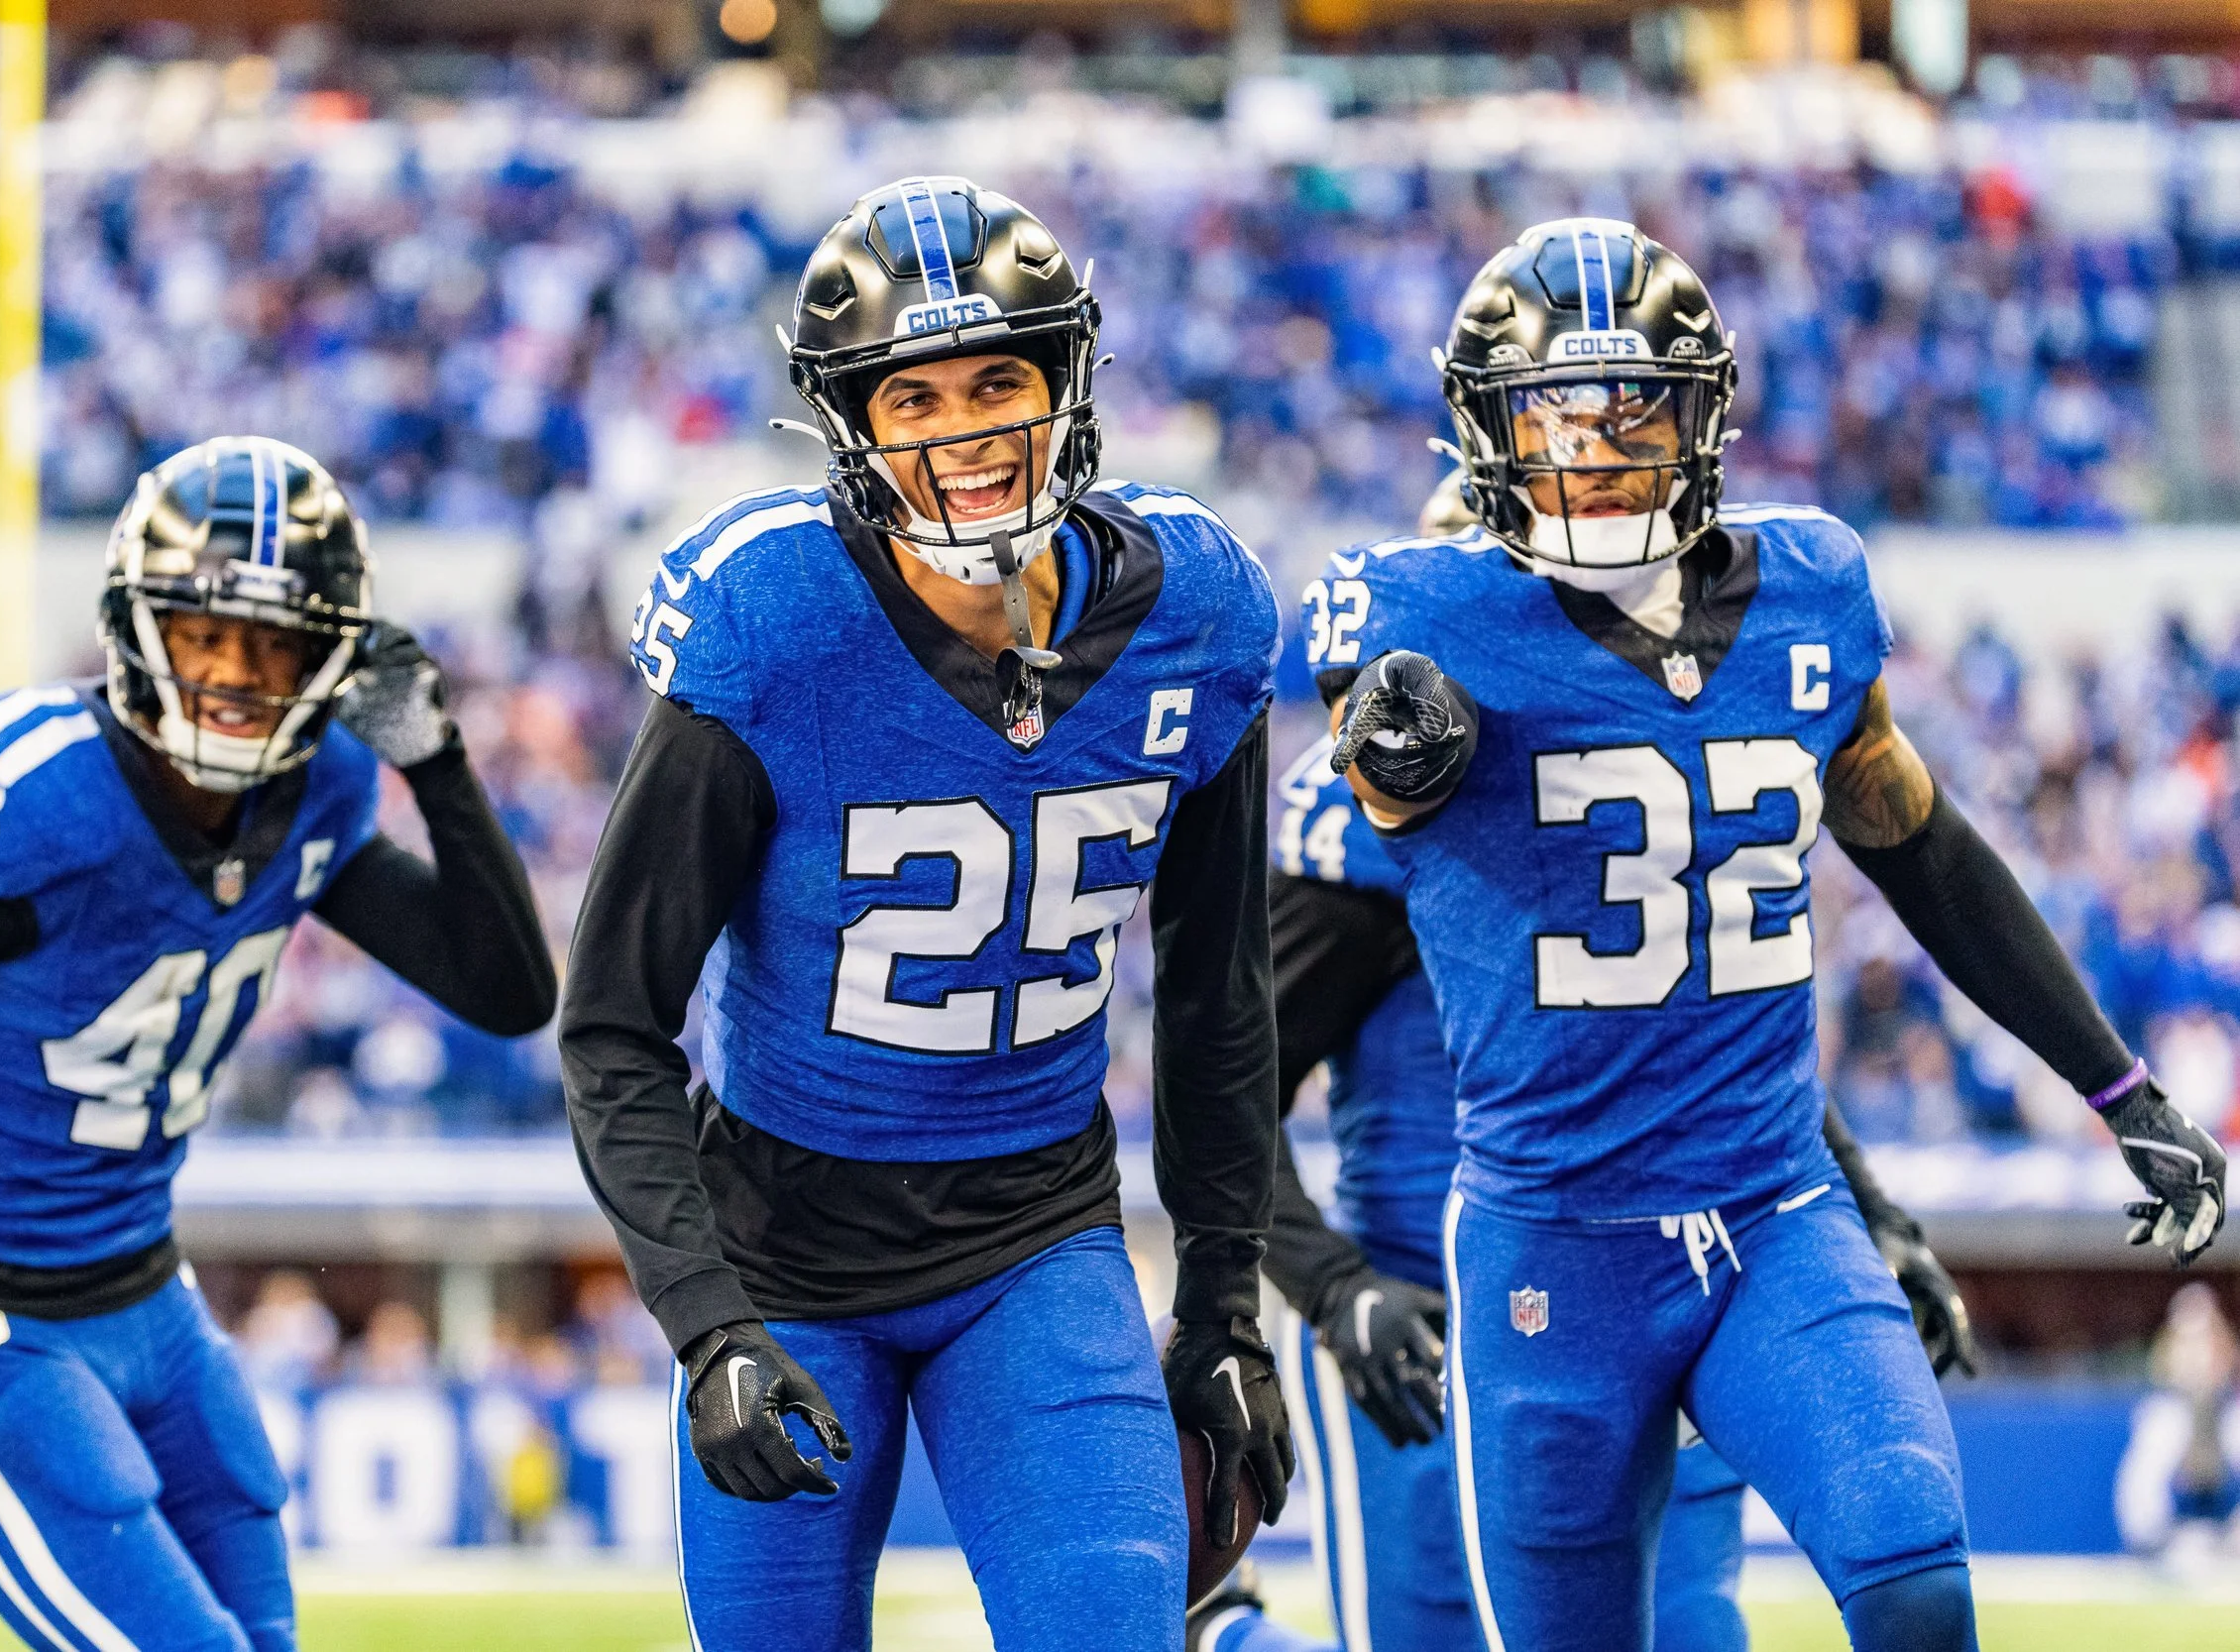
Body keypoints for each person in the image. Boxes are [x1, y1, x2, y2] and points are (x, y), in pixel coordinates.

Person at [1317, 219, 2228, 1652]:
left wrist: (2120, 1084)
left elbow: (1925, 852)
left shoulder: (1806, 588)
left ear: (1705, 415)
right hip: (1554, 1243)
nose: (1600, 453)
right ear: (1486, 434)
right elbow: (1372, 759)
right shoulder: (1424, 612)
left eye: (1638, 414)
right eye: (1557, 421)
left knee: (1916, 1574)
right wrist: (1396, 743)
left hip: (1772, 1210)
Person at [561, 175, 1291, 1652]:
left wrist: (1222, 1303)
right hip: (782, 1258)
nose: (961, 432)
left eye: (997, 380)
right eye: (915, 399)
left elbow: (1219, 999)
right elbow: (613, 1024)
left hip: (1036, 1240)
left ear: (1066, 384)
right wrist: (709, 1324)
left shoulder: (1198, 618)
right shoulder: (775, 619)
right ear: (854, 426)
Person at [0, 437, 557, 1652]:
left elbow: (505, 992)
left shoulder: (321, 790)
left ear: (329, 650)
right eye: (203, 633)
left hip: (155, 1296)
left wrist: (439, 766)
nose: (236, 674)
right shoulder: (46, 796)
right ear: (140, 628)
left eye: (274, 640)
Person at [1192, 721, 1978, 1652]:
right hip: (1426, 1324)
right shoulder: (1400, 799)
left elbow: (1740, 1050)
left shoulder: (1665, 759)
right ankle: (1224, 1639)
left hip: (1663, 1295)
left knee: (1692, 1632)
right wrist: (1337, 1288)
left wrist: (1869, 1214)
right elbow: (1222, 1090)